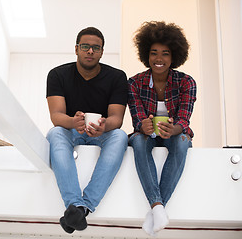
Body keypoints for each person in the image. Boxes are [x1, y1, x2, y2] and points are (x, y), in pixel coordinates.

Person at [46, 27, 129, 233]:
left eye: (95, 48)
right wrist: (73, 123)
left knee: (119, 136)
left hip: (101, 133)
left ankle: (80, 207)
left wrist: (104, 126)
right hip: (72, 129)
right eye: (85, 46)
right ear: (76, 49)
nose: (90, 51)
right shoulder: (57, 75)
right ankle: (79, 207)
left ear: (102, 51)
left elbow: (116, 119)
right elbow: (56, 116)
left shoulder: (117, 77)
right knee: (55, 133)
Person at [127, 21, 197, 236]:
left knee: (183, 141)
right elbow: (137, 118)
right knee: (138, 140)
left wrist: (174, 129)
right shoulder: (134, 83)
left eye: (165, 53)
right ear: (146, 55)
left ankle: (156, 209)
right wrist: (143, 125)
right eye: (154, 53)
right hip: (147, 136)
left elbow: (184, 120)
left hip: (173, 134)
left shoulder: (186, 82)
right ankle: (159, 208)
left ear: (174, 56)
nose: (159, 59)